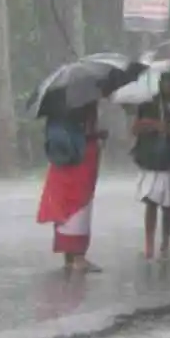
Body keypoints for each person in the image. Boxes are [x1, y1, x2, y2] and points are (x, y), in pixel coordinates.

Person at [36, 102, 106, 273]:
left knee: (64, 208)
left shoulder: (55, 110)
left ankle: (69, 257)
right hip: (81, 161)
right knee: (80, 207)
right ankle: (79, 258)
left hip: (61, 161)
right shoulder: (84, 104)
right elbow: (85, 134)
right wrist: (98, 135)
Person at [131, 70, 170, 260]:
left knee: (169, 205)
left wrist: (163, 126)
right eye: (169, 82)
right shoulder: (148, 104)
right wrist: (148, 125)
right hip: (150, 158)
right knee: (151, 202)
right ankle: (149, 243)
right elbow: (135, 128)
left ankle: (165, 241)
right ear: (161, 83)